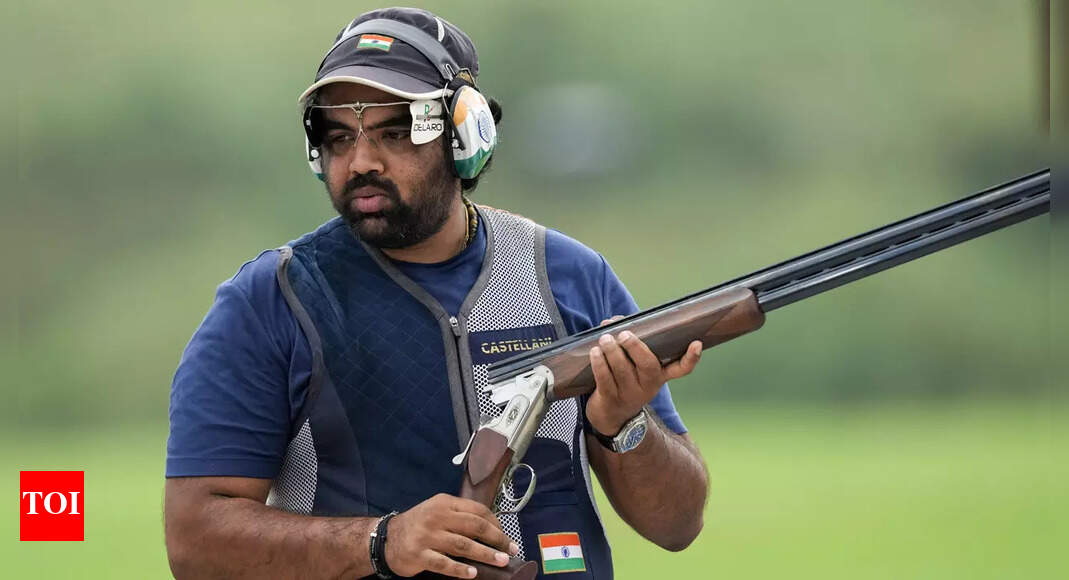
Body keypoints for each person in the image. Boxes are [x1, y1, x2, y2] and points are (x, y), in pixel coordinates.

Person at [164, 7, 708, 579]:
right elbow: (195, 539)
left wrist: (623, 424)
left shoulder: (571, 275)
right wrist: (381, 542)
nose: (362, 161)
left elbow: (677, 525)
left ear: (465, 133)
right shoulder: (272, 300)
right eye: (340, 138)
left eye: (396, 132)